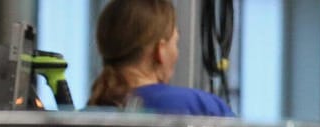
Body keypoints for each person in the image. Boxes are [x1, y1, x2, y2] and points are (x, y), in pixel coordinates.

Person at [88, 0, 233, 116]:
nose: (177, 52)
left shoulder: (85, 119)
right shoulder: (205, 108)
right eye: (175, 42)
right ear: (160, 51)